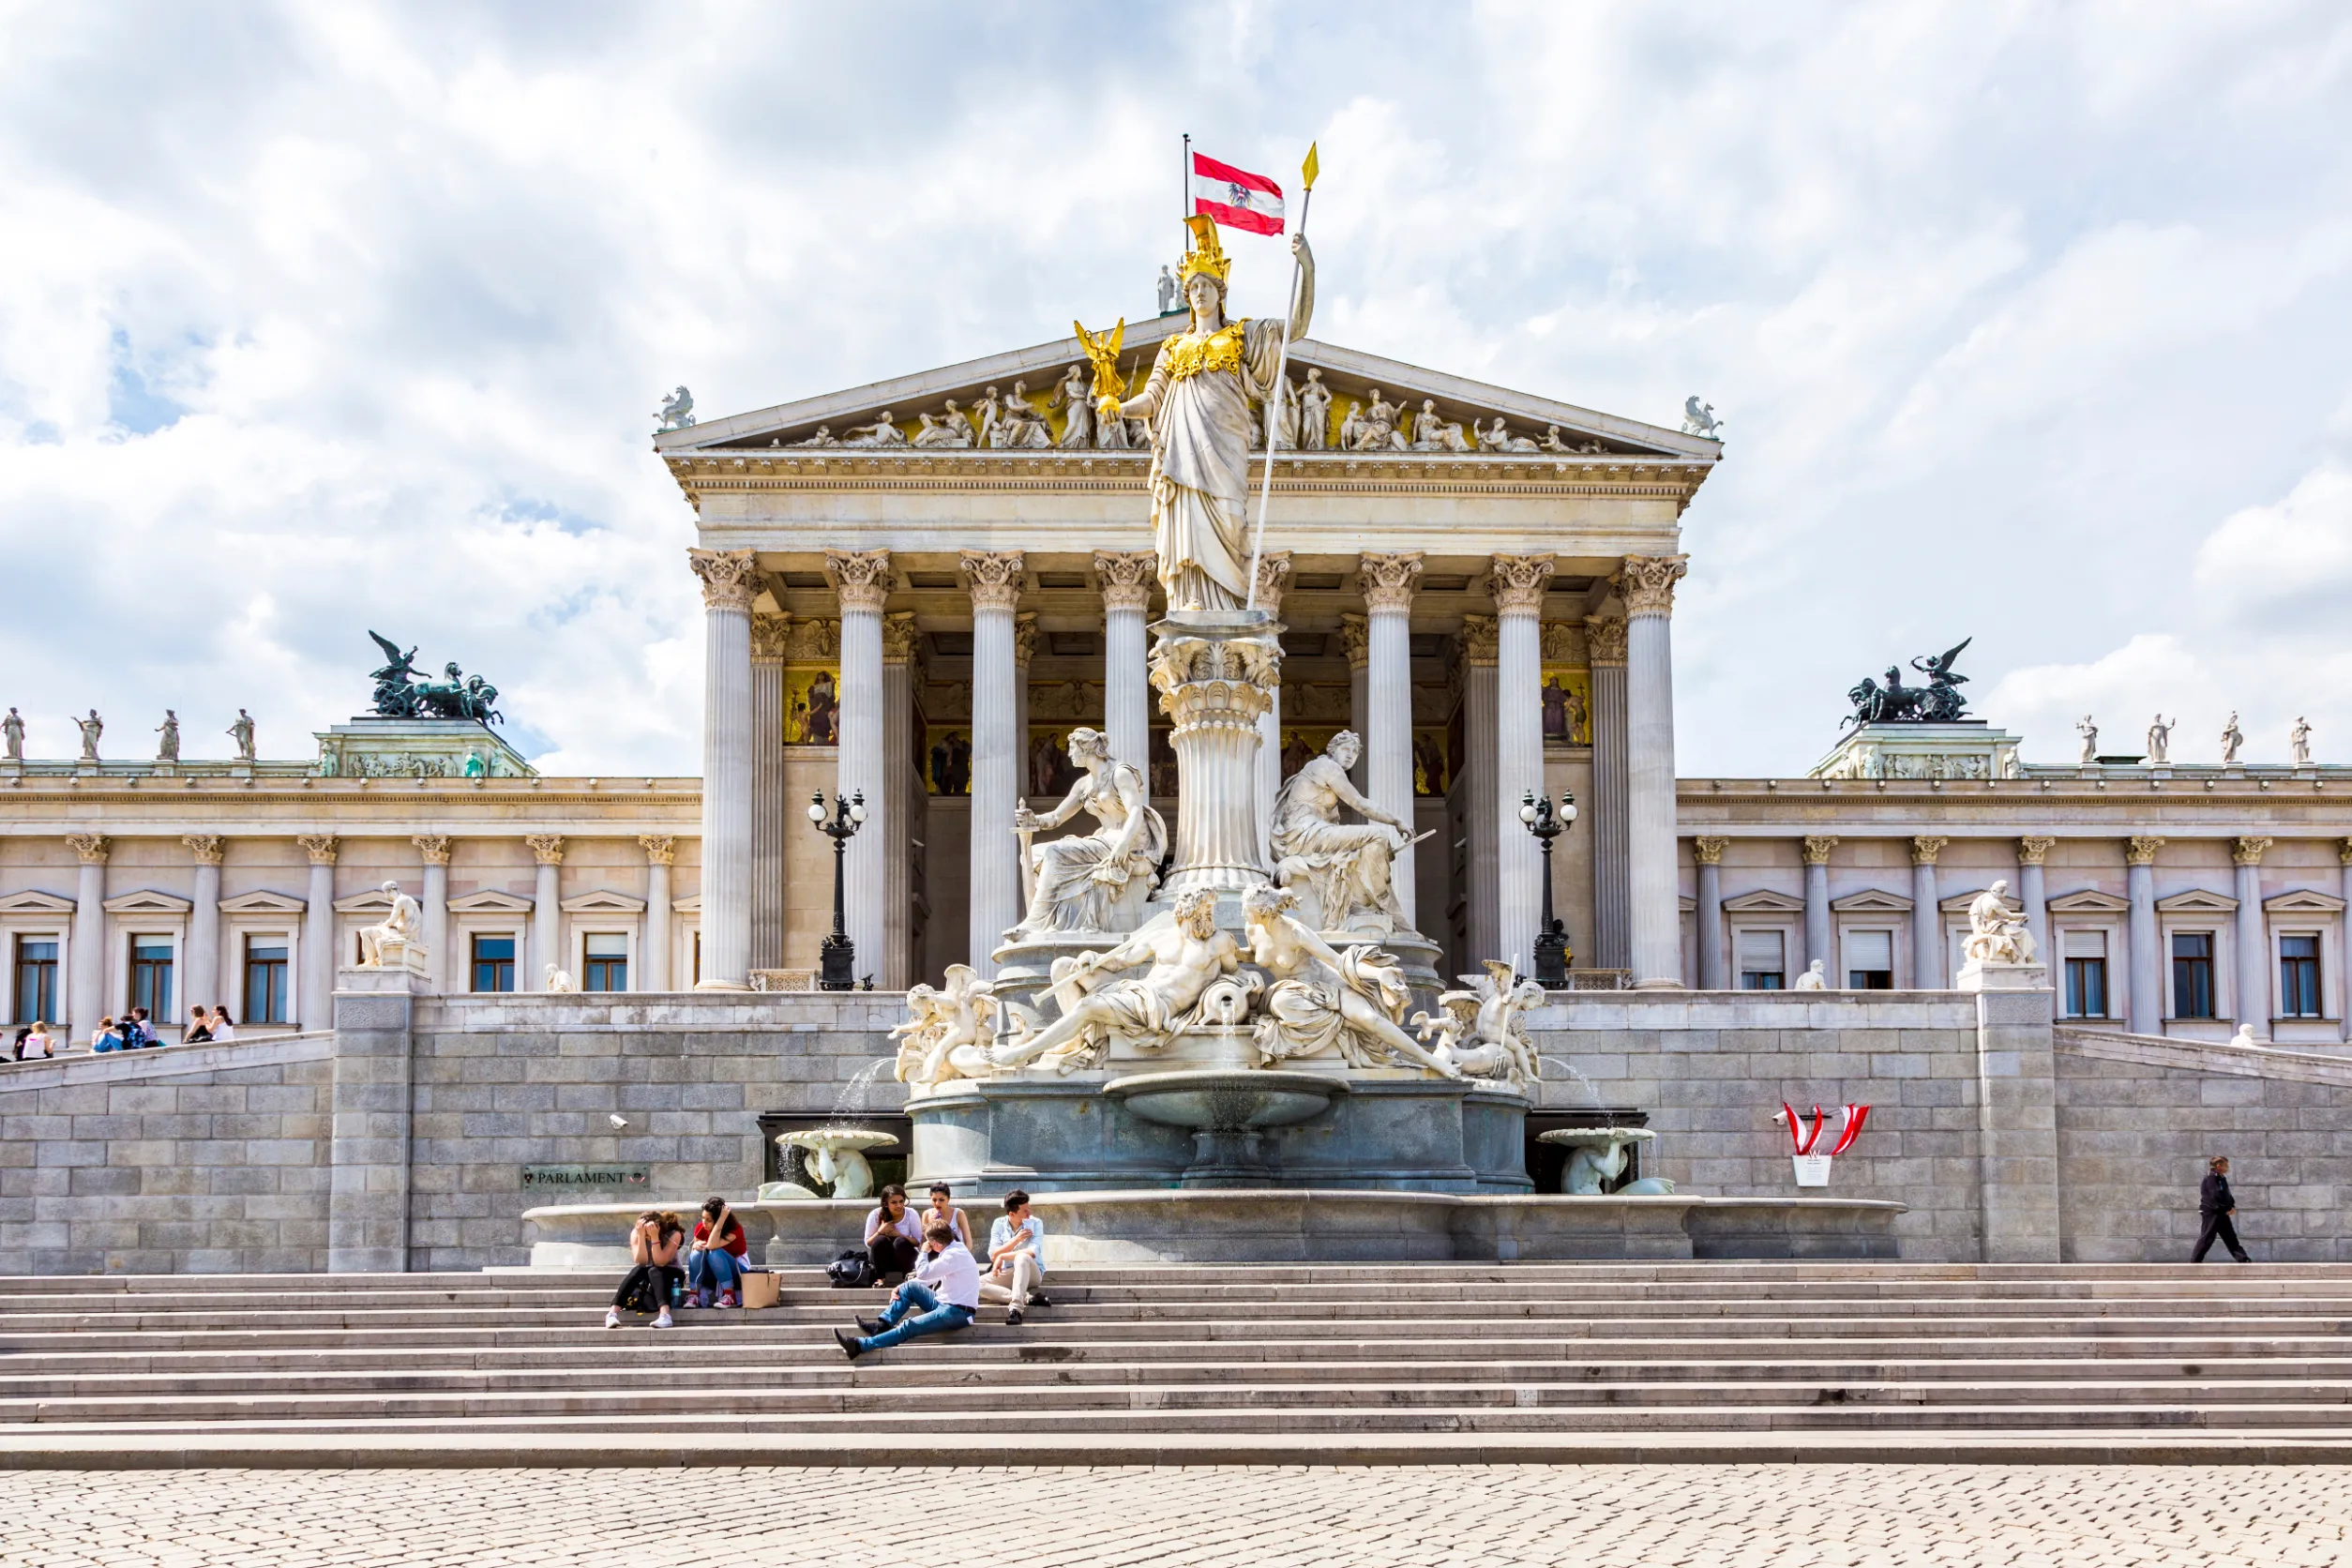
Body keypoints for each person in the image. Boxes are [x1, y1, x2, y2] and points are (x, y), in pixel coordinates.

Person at [835, 1219, 976, 1359]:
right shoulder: (954, 1250)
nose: (929, 1247)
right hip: (945, 1304)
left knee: (908, 1326)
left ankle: (860, 1346)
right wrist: (900, 1287)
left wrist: (924, 1252)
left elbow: (923, 1273)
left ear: (934, 1243)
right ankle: (882, 1326)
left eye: (929, 1244)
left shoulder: (954, 1255)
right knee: (909, 1287)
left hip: (957, 1313)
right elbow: (930, 1277)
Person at [982, 1190, 1052, 1325]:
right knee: (976, 1284)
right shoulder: (999, 1224)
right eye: (1025, 1211)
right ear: (1012, 1214)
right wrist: (1016, 1240)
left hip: (1032, 1272)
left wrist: (1002, 1255)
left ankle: (1016, 1309)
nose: (1029, 1213)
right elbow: (993, 1254)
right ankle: (1027, 1298)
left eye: (1029, 1209)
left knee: (1022, 1257)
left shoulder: (1036, 1223)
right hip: (1008, 1272)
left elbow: (1032, 1252)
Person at [606, 1210, 686, 1328]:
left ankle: (665, 1315)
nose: (647, 1237)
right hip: (649, 1275)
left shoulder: (674, 1234)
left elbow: (660, 1262)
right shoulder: (637, 1233)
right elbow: (641, 1261)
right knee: (640, 1269)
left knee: (654, 1270)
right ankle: (612, 1314)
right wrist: (641, 1236)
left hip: (672, 1275)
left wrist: (654, 1237)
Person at [686, 1197, 749, 1308]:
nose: (704, 1223)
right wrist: (695, 1246)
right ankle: (694, 1295)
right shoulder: (701, 1228)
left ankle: (730, 1296)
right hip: (712, 1274)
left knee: (715, 1252)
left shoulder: (735, 1229)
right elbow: (696, 1257)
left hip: (739, 1273)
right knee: (697, 1253)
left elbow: (712, 1245)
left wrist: (720, 1221)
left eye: (709, 1220)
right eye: (703, 1218)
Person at [2193, 1156, 2253, 1263]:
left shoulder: (2220, 1177)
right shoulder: (2211, 1177)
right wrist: (2228, 1207)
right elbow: (2215, 1195)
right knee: (2207, 1237)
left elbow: (2226, 1195)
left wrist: (2231, 1206)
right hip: (2212, 1212)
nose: (2228, 1167)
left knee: (2230, 1237)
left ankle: (2243, 1258)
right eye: (2226, 1165)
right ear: (2218, 1166)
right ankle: (2195, 1260)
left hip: (2221, 1212)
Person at [863, 1184, 923, 1281]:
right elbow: (868, 1243)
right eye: (894, 1202)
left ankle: (906, 1278)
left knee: (900, 1242)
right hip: (884, 1262)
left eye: (901, 1201)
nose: (899, 1205)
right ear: (886, 1204)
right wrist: (880, 1231)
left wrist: (899, 1234)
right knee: (880, 1240)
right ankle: (880, 1279)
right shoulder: (875, 1214)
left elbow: (917, 1242)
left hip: (905, 1260)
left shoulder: (911, 1213)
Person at [924, 1183, 973, 1255]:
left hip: (955, 1251)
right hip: (936, 1253)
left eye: (941, 1200)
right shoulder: (927, 1214)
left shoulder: (958, 1213)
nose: (937, 1203)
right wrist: (930, 1225)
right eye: (934, 1200)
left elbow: (968, 1242)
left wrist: (963, 1256)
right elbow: (924, 1243)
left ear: (948, 1199)